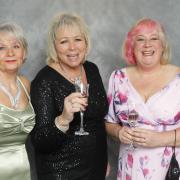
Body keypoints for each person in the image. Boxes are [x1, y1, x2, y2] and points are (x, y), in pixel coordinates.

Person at [30, 13, 108, 180]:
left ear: (86, 42)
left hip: (96, 167)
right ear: (54, 46)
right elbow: (40, 141)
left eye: (78, 39)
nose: (72, 47)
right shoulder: (44, 81)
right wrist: (64, 119)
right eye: (64, 41)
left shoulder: (92, 70)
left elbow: (98, 122)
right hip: (62, 171)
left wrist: (103, 160)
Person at [105, 18, 180, 180]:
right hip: (129, 171)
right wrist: (119, 132)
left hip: (170, 170)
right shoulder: (118, 78)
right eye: (140, 39)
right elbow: (108, 122)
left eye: (154, 38)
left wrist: (159, 139)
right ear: (132, 46)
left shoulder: (178, 79)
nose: (147, 45)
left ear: (162, 45)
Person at [0, 22, 35, 180]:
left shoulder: (26, 84)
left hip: (22, 170)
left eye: (16, 46)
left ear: (24, 52)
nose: (10, 53)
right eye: (1, 48)